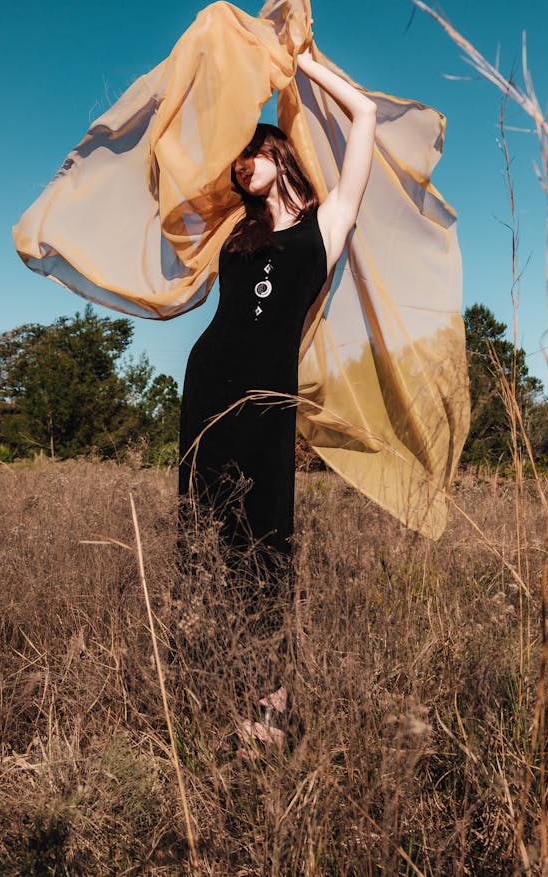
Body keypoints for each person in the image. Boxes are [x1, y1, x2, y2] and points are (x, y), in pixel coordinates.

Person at [176, 48, 377, 739]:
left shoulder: (325, 224)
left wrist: (306, 63)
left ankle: (273, 707)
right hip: (207, 389)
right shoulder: (235, 231)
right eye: (234, 161)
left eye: (250, 154)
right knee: (208, 533)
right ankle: (226, 689)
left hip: (267, 402)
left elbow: (367, 114)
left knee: (267, 541)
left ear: (280, 154)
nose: (238, 165)